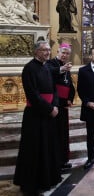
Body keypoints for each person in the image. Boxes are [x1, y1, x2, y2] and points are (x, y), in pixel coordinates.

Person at [13, 40, 64, 195]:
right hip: (35, 115)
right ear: (36, 52)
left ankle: (48, 178)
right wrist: (49, 109)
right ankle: (32, 182)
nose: (47, 52)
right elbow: (33, 95)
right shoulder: (29, 68)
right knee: (34, 150)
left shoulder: (47, 67)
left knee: (47, 147)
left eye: (49, 50)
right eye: (44, 50)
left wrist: (55, 105)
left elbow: (54, 89)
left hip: (48, 114)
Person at [46, 43, 75, 171]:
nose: (65, 55)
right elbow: (49, 74)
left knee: (63, 134)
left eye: (67, 53)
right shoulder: (50, 63)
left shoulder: (66, 67)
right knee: (54, 134)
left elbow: (69, 84)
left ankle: (63, 160)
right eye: (63, 52)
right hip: (54, 105)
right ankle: (55, 162)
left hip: (64, 106)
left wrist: (70, 98)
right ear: (57, 51)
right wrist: (61, 69)